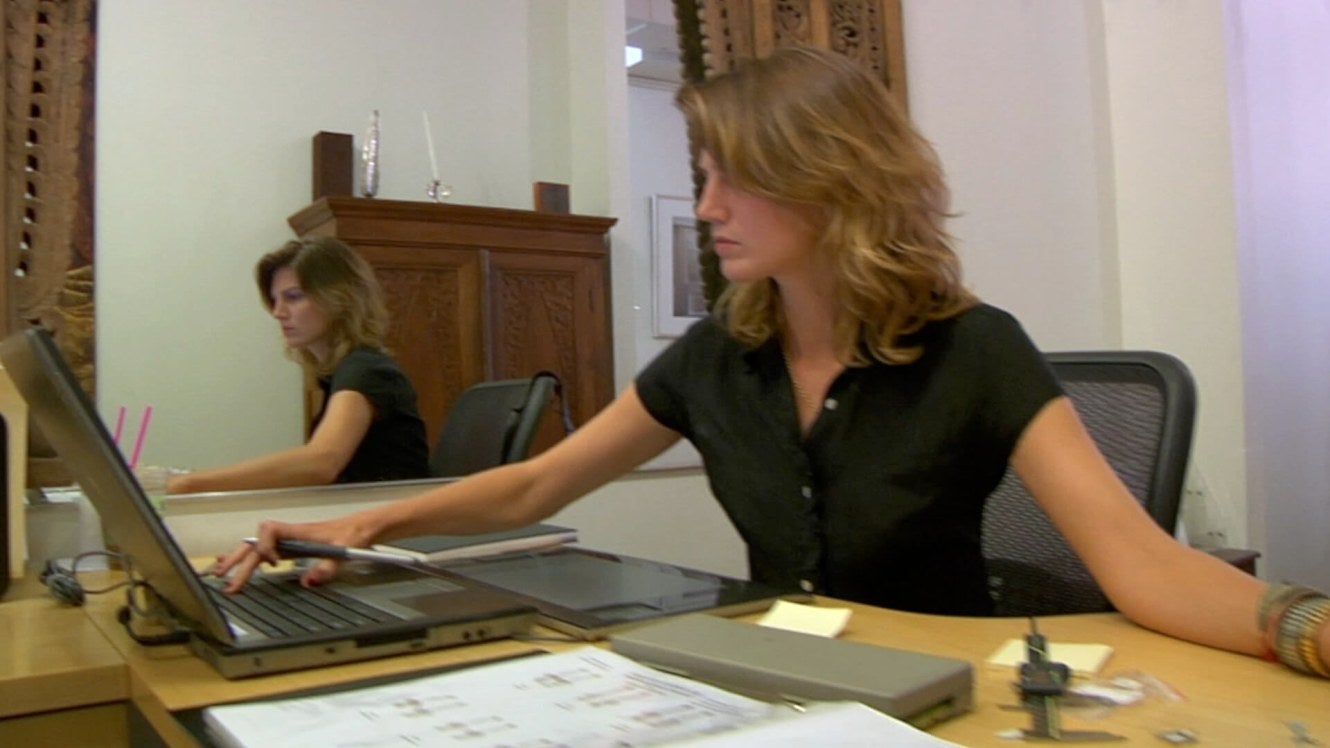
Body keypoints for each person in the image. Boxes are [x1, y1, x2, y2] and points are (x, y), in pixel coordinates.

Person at [214, 48, 1329, 677]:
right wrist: (364, 525)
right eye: (700, 176)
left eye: (727, 178)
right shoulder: (716, 356)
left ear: (828, 175)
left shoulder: (975, 349)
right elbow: (535, 485)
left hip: (941, 689)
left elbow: (1139, 563)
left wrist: (1296, 620)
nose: (703, 209)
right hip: (786, 682)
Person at [169, 236, 430, 493]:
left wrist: (189, 483)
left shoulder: (367, 370)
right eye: (275, 300)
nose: (278, 312)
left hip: (394, 529)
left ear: (340, 298)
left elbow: (321, 462)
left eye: (293, 297)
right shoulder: (339, 373)